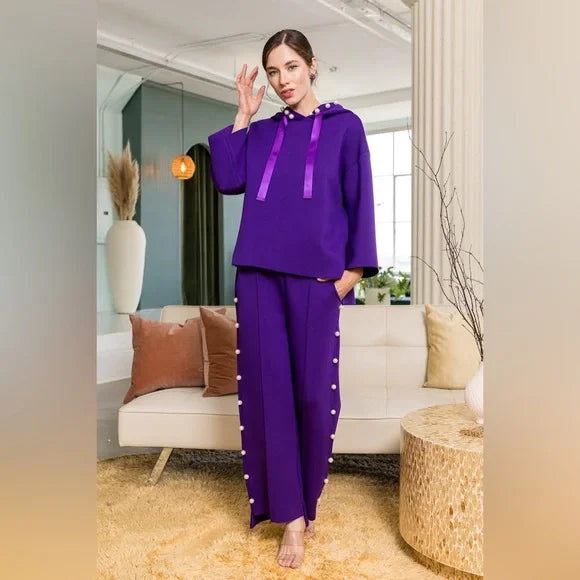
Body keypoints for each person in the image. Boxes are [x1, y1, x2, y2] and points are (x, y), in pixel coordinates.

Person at [208, 29, 378, 569]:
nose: (283, 80)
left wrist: (351, 274)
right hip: (258, 278)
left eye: (291, 67)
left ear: (312, 65)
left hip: (316, 282)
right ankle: (292, 520)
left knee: (313, 398)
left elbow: (360, 199)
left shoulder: (345, 127)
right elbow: (227, 178)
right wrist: (243, 113)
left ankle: (307, 499)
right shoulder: (261, 133)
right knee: (269, 395)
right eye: (273, 72)